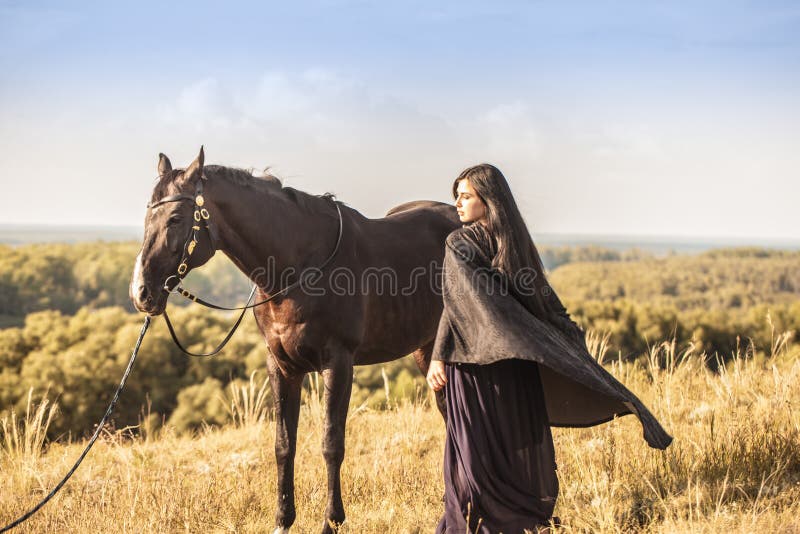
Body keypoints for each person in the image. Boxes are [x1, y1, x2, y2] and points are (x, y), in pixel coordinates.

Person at [427, 164, 672, 534]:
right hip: (516, 362)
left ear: (487, 200)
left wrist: (439, 356)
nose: (457, 204)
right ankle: (512, 518)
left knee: (472, 451)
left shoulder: (458, 243)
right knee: (511, 442)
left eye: (465, 196)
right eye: (456, 196)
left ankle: (481, 521)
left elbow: (462, 305)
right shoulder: (516, 243)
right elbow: (526, 302)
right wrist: (557, 336)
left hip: (474, 365)